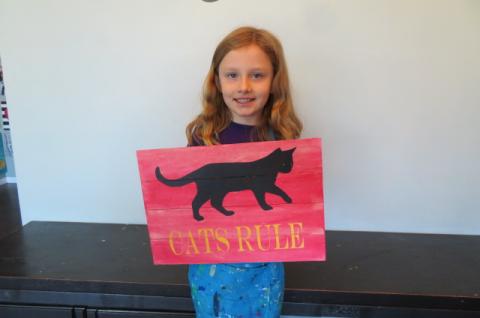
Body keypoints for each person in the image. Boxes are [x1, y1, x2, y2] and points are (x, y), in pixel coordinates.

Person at [185, 26, 302, 318]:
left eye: (257, 75)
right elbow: (188, 211)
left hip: (265, 270)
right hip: (211, 268)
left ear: (275, 81)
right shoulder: (204, 135)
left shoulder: (283, 137)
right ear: (218, 81)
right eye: (232, 74)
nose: (244, 87)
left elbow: (293, 209)